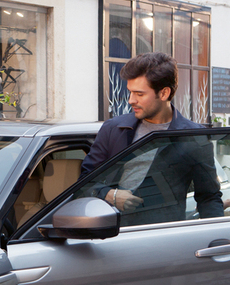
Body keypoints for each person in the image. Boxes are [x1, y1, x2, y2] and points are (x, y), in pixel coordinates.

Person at [80, 52, 222, 223]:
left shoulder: (193, 137)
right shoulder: (113, 129)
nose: (131, 100)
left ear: (164, 94)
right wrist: (110, 194)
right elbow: (84, 184)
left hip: (160, 238)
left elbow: (209, 198)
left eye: (139, 94)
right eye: (130, 92)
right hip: (109, 233)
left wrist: (217, 240)